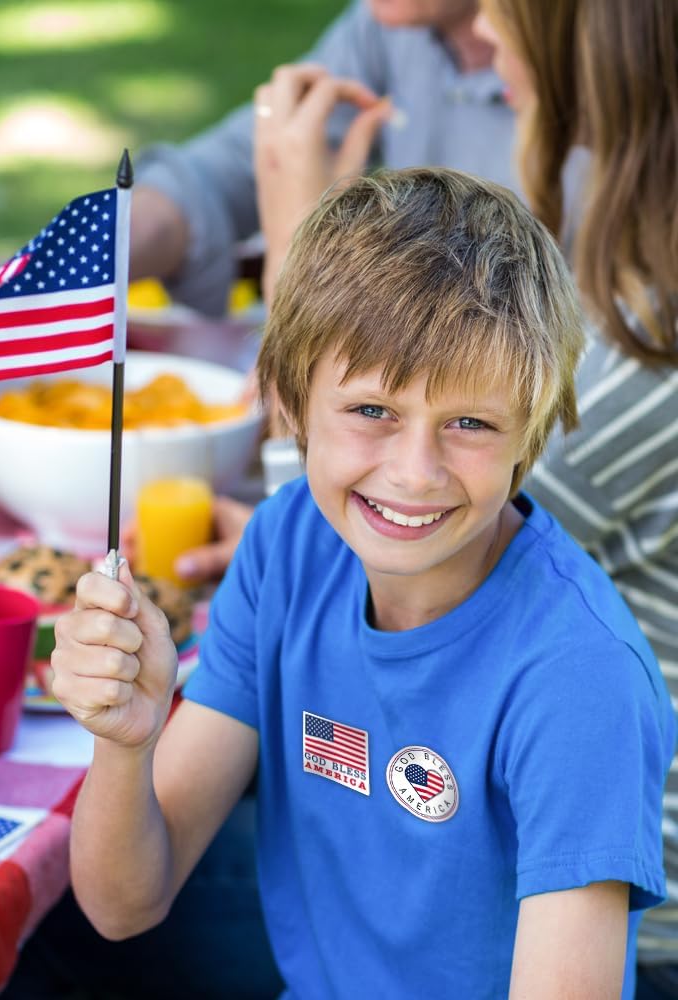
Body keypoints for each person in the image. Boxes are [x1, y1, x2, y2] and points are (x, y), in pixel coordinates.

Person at [51, 168, 674, 999]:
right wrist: (125, 744)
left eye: (470, 424)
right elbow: (125, 903)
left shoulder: (578, 678)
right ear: (288, 400)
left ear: (531, 430)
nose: (415, 474)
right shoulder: (286, 545)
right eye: (373, 412)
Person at [469, 3, 678, 996]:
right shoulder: (641, 284)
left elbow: (401, 545)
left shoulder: (654, 339)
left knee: (86, 933)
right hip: (532, 833)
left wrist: (301, 232)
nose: (477, 26)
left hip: (617, 914)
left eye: (496, 3)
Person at [129, 0, 514, 316]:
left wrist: (301, 248)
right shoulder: (390, 25)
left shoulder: (563, 82)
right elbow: (224, 171)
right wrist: (90, 258)